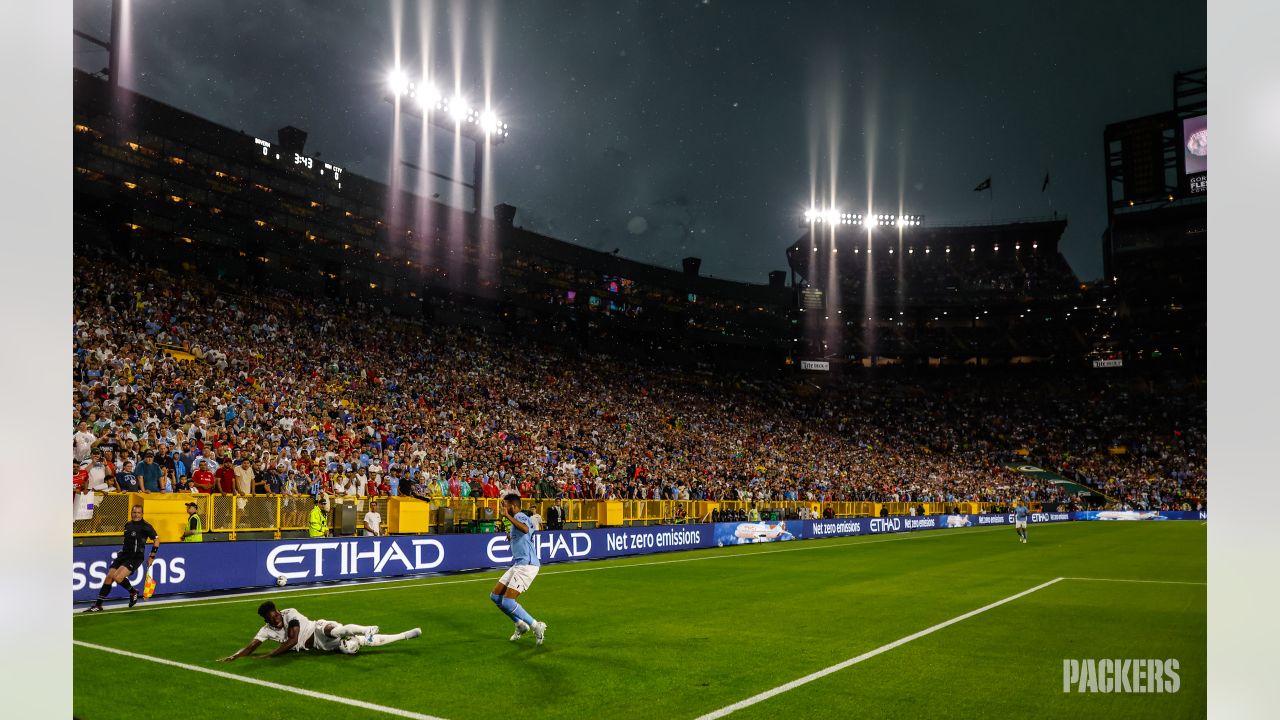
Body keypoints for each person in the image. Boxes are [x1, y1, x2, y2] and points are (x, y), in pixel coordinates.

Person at [217, 601, 421, 661]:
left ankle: (367, 628)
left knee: (336, 630)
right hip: (320, 646)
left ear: (279, 612)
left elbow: (293, 639)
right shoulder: (265, 630)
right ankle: (402, 635)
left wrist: (270, 655)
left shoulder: (291, 613)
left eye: (277, 615)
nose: (277, 619)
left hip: (318, 628)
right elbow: (251, 646)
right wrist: (234, 656)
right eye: (273, 619)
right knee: (352, 647)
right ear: (266, 620)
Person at [489, 493, 547, 645]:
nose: (503, 507)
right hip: (518, 564)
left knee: (508, 602)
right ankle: (520, 625)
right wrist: (510, 535)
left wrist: (507, 516)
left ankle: (536, 626)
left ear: (513, 506)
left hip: (527, 565)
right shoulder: (517, 518)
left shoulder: (520, 516)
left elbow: (526, 530)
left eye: (505, 505)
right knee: (495, 597)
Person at [83, 504, 159, 612]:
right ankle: (98, 605)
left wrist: (152, 556)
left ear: (142, 514)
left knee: (117, 577)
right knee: (109, 576)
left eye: (138, 512)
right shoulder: (128, 524)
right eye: (134, 512)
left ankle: (133, 592)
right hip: (123, 555)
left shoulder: (146, 526)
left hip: (135, 557)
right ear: (131, 513)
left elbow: (157, 540)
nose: (136, 514)